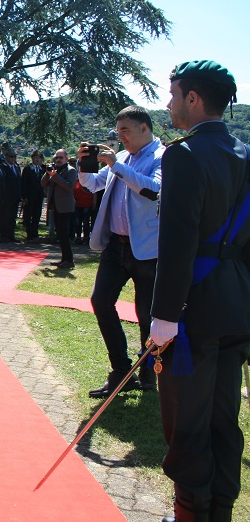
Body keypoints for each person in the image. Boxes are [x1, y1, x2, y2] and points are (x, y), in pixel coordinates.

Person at [149, 61, 249, 522]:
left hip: (194, 308)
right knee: (224, 418)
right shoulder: (245, 153)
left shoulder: (183, 155)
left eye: (173, 95)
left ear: (193, 99)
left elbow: (178, 242)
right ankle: (221, 511)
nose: (168, 104)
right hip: (237, 303)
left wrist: (164, 316)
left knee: (186, 420)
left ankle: (191, 511)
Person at [76, 105, 164, 398]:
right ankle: (121, 370)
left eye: (125, 130)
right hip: (116, 246)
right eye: (118, 131)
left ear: (144, 128)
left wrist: (117, 165)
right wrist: (85, 165)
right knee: (100, 301)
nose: (120, 136)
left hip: (148, 249)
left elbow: (154, 189)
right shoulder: (122, 158)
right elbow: (91, 185)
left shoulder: (162, 156)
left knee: (146, 315)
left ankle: (149, 371)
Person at [41, 150, 78, 268]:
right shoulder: (54, 170)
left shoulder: (71, 170)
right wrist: (48, 173)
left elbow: (69, 186)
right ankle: (64, 259)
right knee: (60, 234)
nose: (58, 160)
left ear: (66, 158)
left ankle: (69, 260)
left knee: (64, 234)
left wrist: (54, 176)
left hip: (65, 207)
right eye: (56, 158)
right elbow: (43, 184)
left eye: (61, 157)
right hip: (55, 206)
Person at [21, 152, 45, 241]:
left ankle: (35, 232)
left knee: (37, 214)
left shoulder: (42, 169)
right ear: (32, 158)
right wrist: (24, 196)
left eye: (39, 158)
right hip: (29, 196)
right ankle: (29, 233)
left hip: (39, 196)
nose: (37, 160)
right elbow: (24, 183)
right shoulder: (28, 169)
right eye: (35, 158)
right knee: (28, 215)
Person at [0, 148, 21, 242]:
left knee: (13, 217)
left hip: (15, 196)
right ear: (6, 157)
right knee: (5, 216)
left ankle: (11, 235)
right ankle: (4, 235)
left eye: (14, 157)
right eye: (11, 157)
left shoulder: (16, 167)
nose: (13, 159)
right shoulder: (3, 167)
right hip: (7, 196)